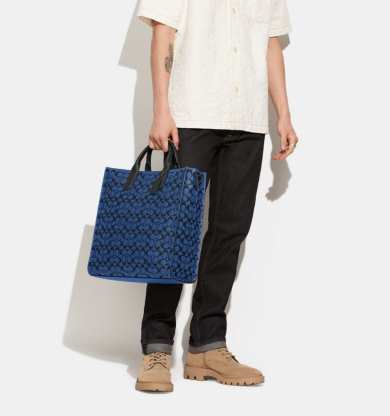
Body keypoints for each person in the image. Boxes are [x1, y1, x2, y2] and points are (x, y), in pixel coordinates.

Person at [135, 0, 298, 393]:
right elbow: (163, 33)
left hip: (248, 121)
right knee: (173, 233)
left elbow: (270, 44)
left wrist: (284, 114)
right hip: (191, 115)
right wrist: (161, 110)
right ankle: (156, 347)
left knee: (230, 230)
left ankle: (207, 345)